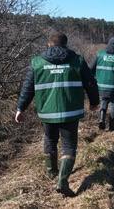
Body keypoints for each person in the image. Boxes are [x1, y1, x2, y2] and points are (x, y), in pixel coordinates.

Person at [15, 31, 99, 197]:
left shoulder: (37, 62)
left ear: (49, 44)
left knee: (50, 139)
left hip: (47, 112)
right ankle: (62, 181)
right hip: (71, 112)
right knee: (68, 146)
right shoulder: (77, 60)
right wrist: (94, 102)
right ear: (66, 44)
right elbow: (90, 82)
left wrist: (20, 108)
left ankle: (51, 171)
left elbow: (27, 88)